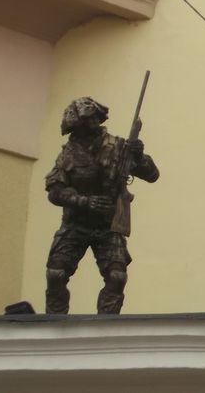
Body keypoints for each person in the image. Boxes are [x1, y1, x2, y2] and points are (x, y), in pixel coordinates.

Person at [44, 97, 159, 314]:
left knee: (117, 276)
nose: (90, 125)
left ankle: (106, 325)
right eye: (84, 122)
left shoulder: (117, 147)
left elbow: (152, 174)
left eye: (93, 119)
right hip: (75, 225)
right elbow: (54, 191)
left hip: (107, 227)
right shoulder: (68, 153)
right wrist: (85, 202)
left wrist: (139, 155)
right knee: (55, 273)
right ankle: (54, 323)